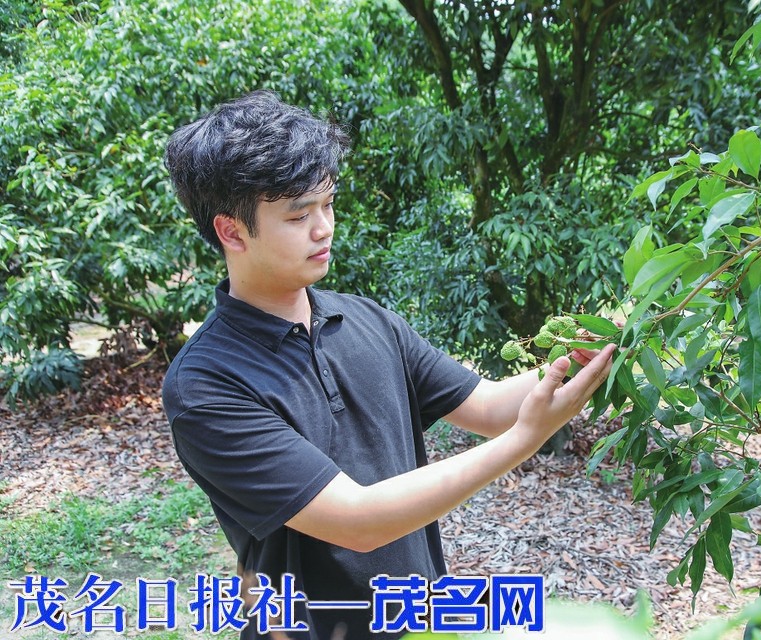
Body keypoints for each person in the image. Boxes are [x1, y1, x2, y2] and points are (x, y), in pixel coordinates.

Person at [161, 90, 615, 640]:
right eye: (299, 215)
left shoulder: (366, 321)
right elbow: (357, 521)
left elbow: (490, 406)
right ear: (231, 231)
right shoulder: (206, 385)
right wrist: (524, 441)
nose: (324, 228)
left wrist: (589, 354)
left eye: (328, 204)